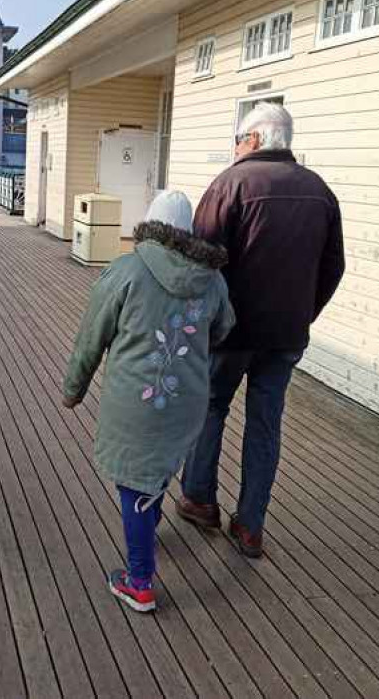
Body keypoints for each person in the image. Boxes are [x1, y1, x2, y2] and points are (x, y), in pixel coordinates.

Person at [176, 102, 345, 559]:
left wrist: (201, 323)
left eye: (237, 139)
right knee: (266, 424)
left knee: (211, 407)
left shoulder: (231, 184)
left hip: (230, 334)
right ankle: (251, 526)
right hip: (285, 336)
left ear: (252, 139)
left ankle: (199, 499)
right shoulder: (320, 191)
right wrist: (303, 315)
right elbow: (334, 266)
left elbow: (200, 262)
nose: (235, 147)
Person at [63, 190, 235, 613]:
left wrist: (74, 388)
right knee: (156, 471)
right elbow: (224, 327)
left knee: (135, 481)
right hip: (188, 400)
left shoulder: (126, 269)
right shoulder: (212, 278)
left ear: (150, 224)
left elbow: (92, 336)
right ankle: (147, 524)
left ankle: (139, 582)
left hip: (135, 402)